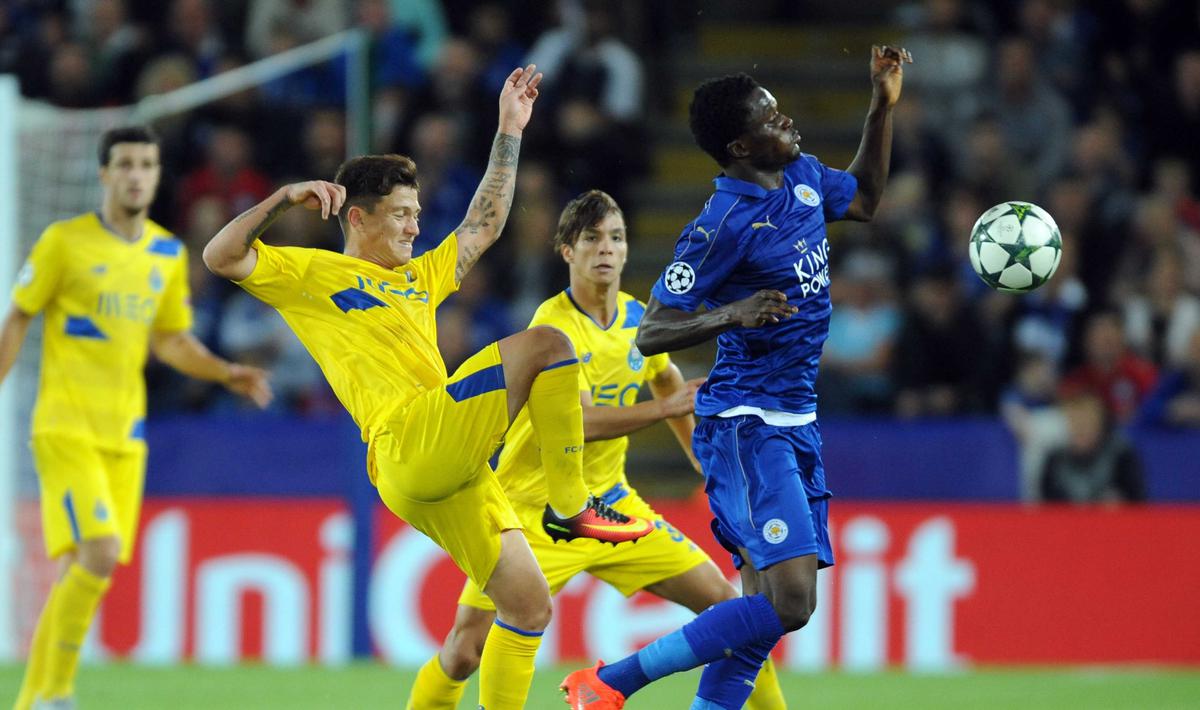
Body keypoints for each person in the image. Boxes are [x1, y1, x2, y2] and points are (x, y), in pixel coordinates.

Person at [201, 65, 652, 710]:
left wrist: (509, 128)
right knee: (551, 344)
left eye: (416, 214)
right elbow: (219, 256)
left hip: (448, 462)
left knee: (528, 605)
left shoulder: (419, 276)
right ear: (358, 217)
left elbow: (484, 224)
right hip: (407, 438)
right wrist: (283, 198)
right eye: (402, 215)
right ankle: (570, 502)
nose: (416, 227)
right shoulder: (311, 275)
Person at [562, 45, 911, 710]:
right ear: (741, 147)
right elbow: (652, 331)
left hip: (795, 417)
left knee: (759, 614)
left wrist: (880, 106)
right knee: (792, 602)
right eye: (771, 120)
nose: (788, 123)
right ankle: (610, 681)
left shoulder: (802, 177)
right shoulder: (718, 227)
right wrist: (732, 313)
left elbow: (865, 199)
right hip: (747, 425)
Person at [409, 190, 788, 710]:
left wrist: (705, 466)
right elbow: (580, 423)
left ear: (627, 249)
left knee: (731, 608)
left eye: (616, 237)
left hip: (612, 507)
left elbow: (667, 380)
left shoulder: (636, 318)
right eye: (591, 238)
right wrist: (666, 407)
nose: (606, 248)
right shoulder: (553, 328)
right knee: (464, 652)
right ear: (568, 250)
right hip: (534, 514)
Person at [2, 126, 273, 710]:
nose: (136, 175)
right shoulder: (63, 242)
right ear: (105, 174)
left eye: (146, 165)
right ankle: (57, 694)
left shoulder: (165, 254)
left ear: (156, 175)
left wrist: (225, 372)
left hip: (126, 435)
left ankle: (29, 702)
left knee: (80, 570)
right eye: (125, 164)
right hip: (66, 427)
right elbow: (19, 316)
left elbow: (171, 340)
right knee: (98, 554)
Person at [1040, 391, 1147, 503]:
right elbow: (1046, 504)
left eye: (1087, 422)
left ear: (1100, 423)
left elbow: (1138, 500)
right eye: (1075, 422)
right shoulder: (1055, 459)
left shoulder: (1121, 455)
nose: (1081, 429)